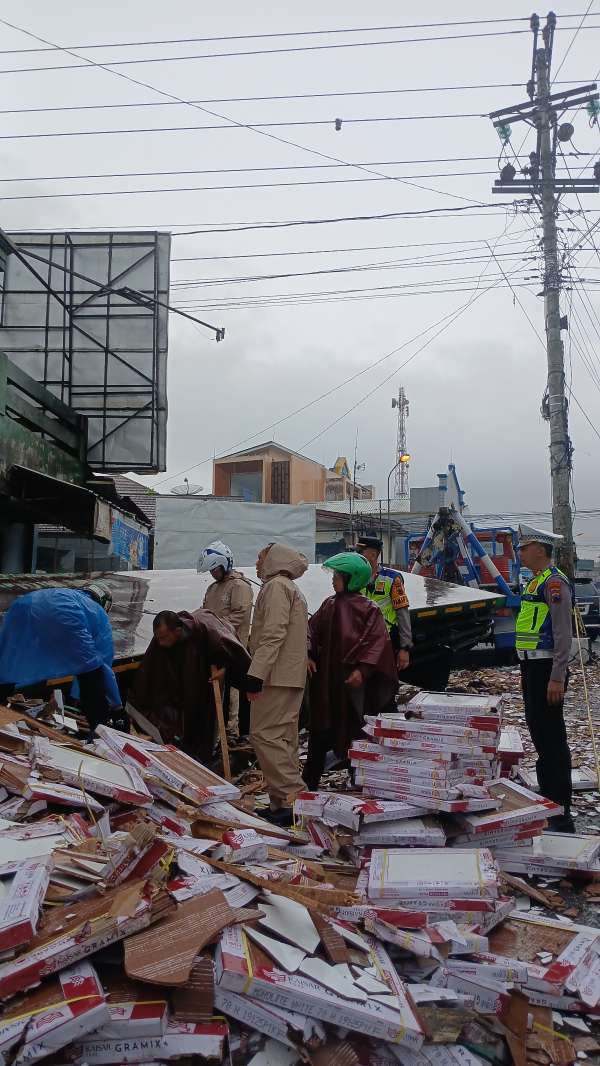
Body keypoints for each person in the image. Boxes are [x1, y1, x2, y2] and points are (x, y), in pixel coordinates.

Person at [303, 552, 398, 791]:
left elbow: (378, 642)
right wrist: (308, 654)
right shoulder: (329, 604)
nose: (333, 579)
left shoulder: (370, 609)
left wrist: (363, 670)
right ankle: (307, 787)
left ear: (352, 578)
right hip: (328, 681)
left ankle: (360, 785)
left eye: (337, 575)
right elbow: (310, 631)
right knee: (320, 732)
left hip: (353, 687)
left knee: (355, 733)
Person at [130, 608, 253, 762]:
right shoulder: (161, 639)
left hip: (204, 680)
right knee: (175, 719)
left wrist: (225, 669)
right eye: (158, 638)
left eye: (164, 638)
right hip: (179, 684)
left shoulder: (206, 628)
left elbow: (233, 649)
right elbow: (147, 673)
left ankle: (204, 758)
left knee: (205, 721)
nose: (160, 642)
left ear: (177, 630)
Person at [516, 525, 575, 833]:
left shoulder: (554, 583)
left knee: (552, 738)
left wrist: (557, 676)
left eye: (524, 547)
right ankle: (548, 796)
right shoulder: (535, 582)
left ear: (540, 549)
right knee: (539, 733)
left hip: (547, 669)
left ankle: (561, 810)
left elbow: (563, 633)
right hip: (532, 668)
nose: (520, 552)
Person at [0, 582, 119, 734]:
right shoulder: (98, 613)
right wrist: (117, 707)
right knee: (92, 675)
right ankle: (100, 733)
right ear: (104, 604)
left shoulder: (66, 593)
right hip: (65, 612)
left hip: (21, 605)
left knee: (8, 662)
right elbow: (102, 667)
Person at [246, 543, 309, 827]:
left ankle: (295, 798)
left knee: (264, 735)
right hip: (289, 675)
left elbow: (272, 634)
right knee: (284, 739)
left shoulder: (275, 588)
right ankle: (281, 804)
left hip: (276, 675)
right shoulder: (288, 588)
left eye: (260, 557)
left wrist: (255, 673)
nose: (258, 563)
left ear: (274, 558)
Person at [198, 541, 253, 738]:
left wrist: (216, 626)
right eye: (210, 570)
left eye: (214, 569)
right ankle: (214, 732)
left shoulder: (240, 586)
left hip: (233, 647)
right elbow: (204, 612)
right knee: (215, 691)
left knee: (233, 692)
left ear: (224, 565)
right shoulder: (213, 588)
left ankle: (231, 730)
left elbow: (240, 615)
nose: (212, 573)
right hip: (213, 647)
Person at [356, 535, 413, 673]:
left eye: (360, 552)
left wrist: (405, 648)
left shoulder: (392, 578)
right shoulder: (355, 577)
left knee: (383, 683)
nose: (357, 555)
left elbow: (403, 615)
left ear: (373, 554)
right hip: (359, 641)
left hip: (384, 642)